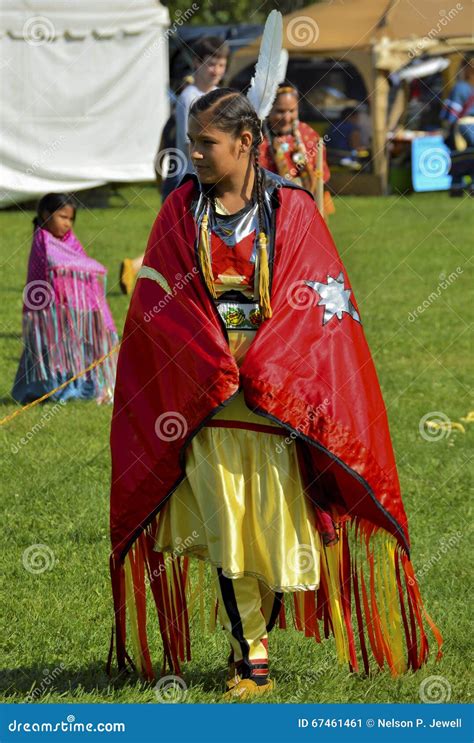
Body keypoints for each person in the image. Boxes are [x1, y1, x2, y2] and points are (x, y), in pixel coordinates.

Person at [108, 89, 442, 700]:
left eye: (205, 143)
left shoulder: (290, 208)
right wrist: (210, 357)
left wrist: (260, 358)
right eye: (191, 143)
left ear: (243, 142)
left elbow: (317, 296)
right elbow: (160, 302)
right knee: (224, 517)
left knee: (272, 525)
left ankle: (260, 631)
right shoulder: (182, 211)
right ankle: (251, 652)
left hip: (274, 391)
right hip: (206, 396)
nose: (195, 154)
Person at [119, 37, 230, 295]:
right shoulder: (189, 98)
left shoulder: (217, 97)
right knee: (179, 241)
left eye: (221, 65)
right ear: (197, 63)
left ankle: (142, 272)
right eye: (211, 64)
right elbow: (188, 145)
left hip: (209, 179)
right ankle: (143, 274)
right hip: (189, 179)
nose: (216, 71)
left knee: (184, 241)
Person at [12, 193, 118, 405]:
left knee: (76, 350)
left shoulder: (71, 241)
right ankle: (45, 391)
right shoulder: (43, 240)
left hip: (74, 309)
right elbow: (55, 263)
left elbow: (81, 264)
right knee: (50, 351)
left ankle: (80, 390)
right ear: (45, 215)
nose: (67, 224)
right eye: (62, 217)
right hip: (49, 313)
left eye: (70, 219)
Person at [259, 83, 334, 215]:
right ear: (268, 109)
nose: (287, 118)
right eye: (280, 111)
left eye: (292, 111)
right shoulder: (258, 140)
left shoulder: (309, 135)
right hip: (269, 211)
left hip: (307, 211)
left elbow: (321, 177)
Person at [440, 56, 474, 196]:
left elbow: (450, 115)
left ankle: (456, 186)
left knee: (458, 157)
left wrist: (447, 131)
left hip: (462, 126)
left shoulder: (461, 87)